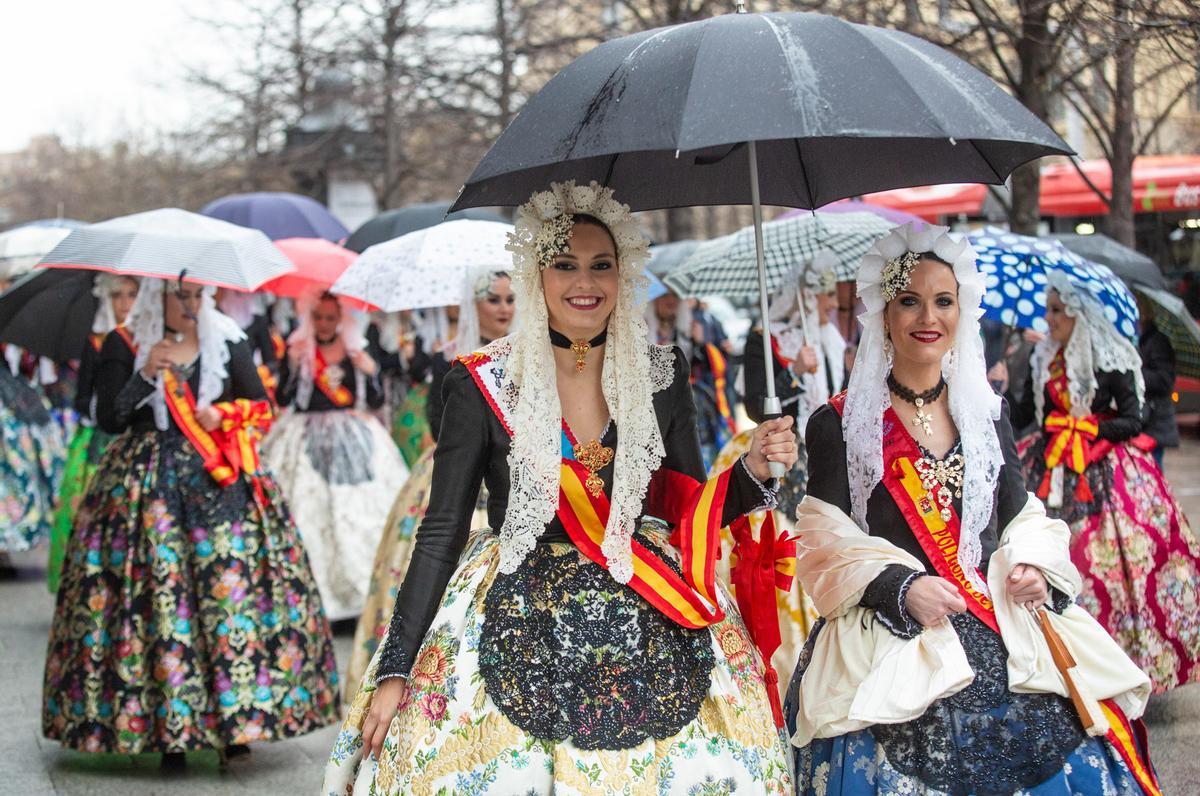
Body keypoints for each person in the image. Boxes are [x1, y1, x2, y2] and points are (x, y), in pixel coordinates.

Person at [325, 181, 798, 794]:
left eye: (603, 265)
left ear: (624, 273)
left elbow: (685, 509)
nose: (586, 282)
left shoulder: (661, 376)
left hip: (653, 605)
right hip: (515, 610)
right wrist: (396, 669)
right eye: (565, 264)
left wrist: (752, 472)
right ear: (535, 274)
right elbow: (442, 531)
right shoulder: (478, 384)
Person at [786, 223, 1157, 795]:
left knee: (1079, 732)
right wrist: (900, 588)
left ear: (962, 312)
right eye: (908, 301)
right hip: (895, 630)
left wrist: (1031, 563)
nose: (926, 317)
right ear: (883, 313)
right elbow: (824, 542)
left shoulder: (988, 415)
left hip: (994, 614)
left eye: (942, 301)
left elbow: (1019, 514)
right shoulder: (838, 424)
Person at [43, 278, 339, 765]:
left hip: (220, 488)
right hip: (143, 491)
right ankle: (162, 729)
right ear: (155, 297)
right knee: (154, 605)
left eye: (196, 295)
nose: (189, 305)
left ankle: (235, 723)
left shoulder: (227, 338)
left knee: (228, 597)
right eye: (179, 296)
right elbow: (108, 420)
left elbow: (261, 409)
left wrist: (222, 416)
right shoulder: (126, 341)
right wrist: (143, 376)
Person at [1012, 270, 1199, 693]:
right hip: (1050, 468)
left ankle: (1122, 665)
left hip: (1103, 470)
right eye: (1049, 310)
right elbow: (1027, 417)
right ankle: (1054, 662)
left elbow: (1133, 419)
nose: (1051, 319)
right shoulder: (1044, 359)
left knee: (1114, 563)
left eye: (1058, 311)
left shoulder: (1111, 358)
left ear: (1080, 314)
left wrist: (1089, 429)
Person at [343, 266, 513, 698]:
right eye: (494, 299)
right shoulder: (450, 360)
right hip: (454, 472)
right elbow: (440, 425)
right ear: (472, 305)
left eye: (512, 299)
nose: (504, 308)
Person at [260, 290, 407, 622]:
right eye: (319, 318)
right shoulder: (298, 349)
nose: (325, 324)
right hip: (303, 435)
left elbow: (373, 399)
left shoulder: (357, 350)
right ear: (310, 319)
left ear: (341, 320)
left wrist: (368, 370)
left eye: (331, 318)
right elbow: (284, 397)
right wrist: (295, 365)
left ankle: (360, 594)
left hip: (352, 433)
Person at [47, 275, 139, 592]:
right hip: (98, 439)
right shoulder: (96, 341)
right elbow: (81, 395)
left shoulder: (146, 339)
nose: (125, 304)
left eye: (131, 295)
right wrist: (104, 408)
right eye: (118, 296)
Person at [1136, 292, 1179, 469]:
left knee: (1153, 472)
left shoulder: (1158, 342)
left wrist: (1137, 373)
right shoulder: (1143, 341)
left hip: (1155, 423)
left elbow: (1165, 380)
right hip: (1146, 422)